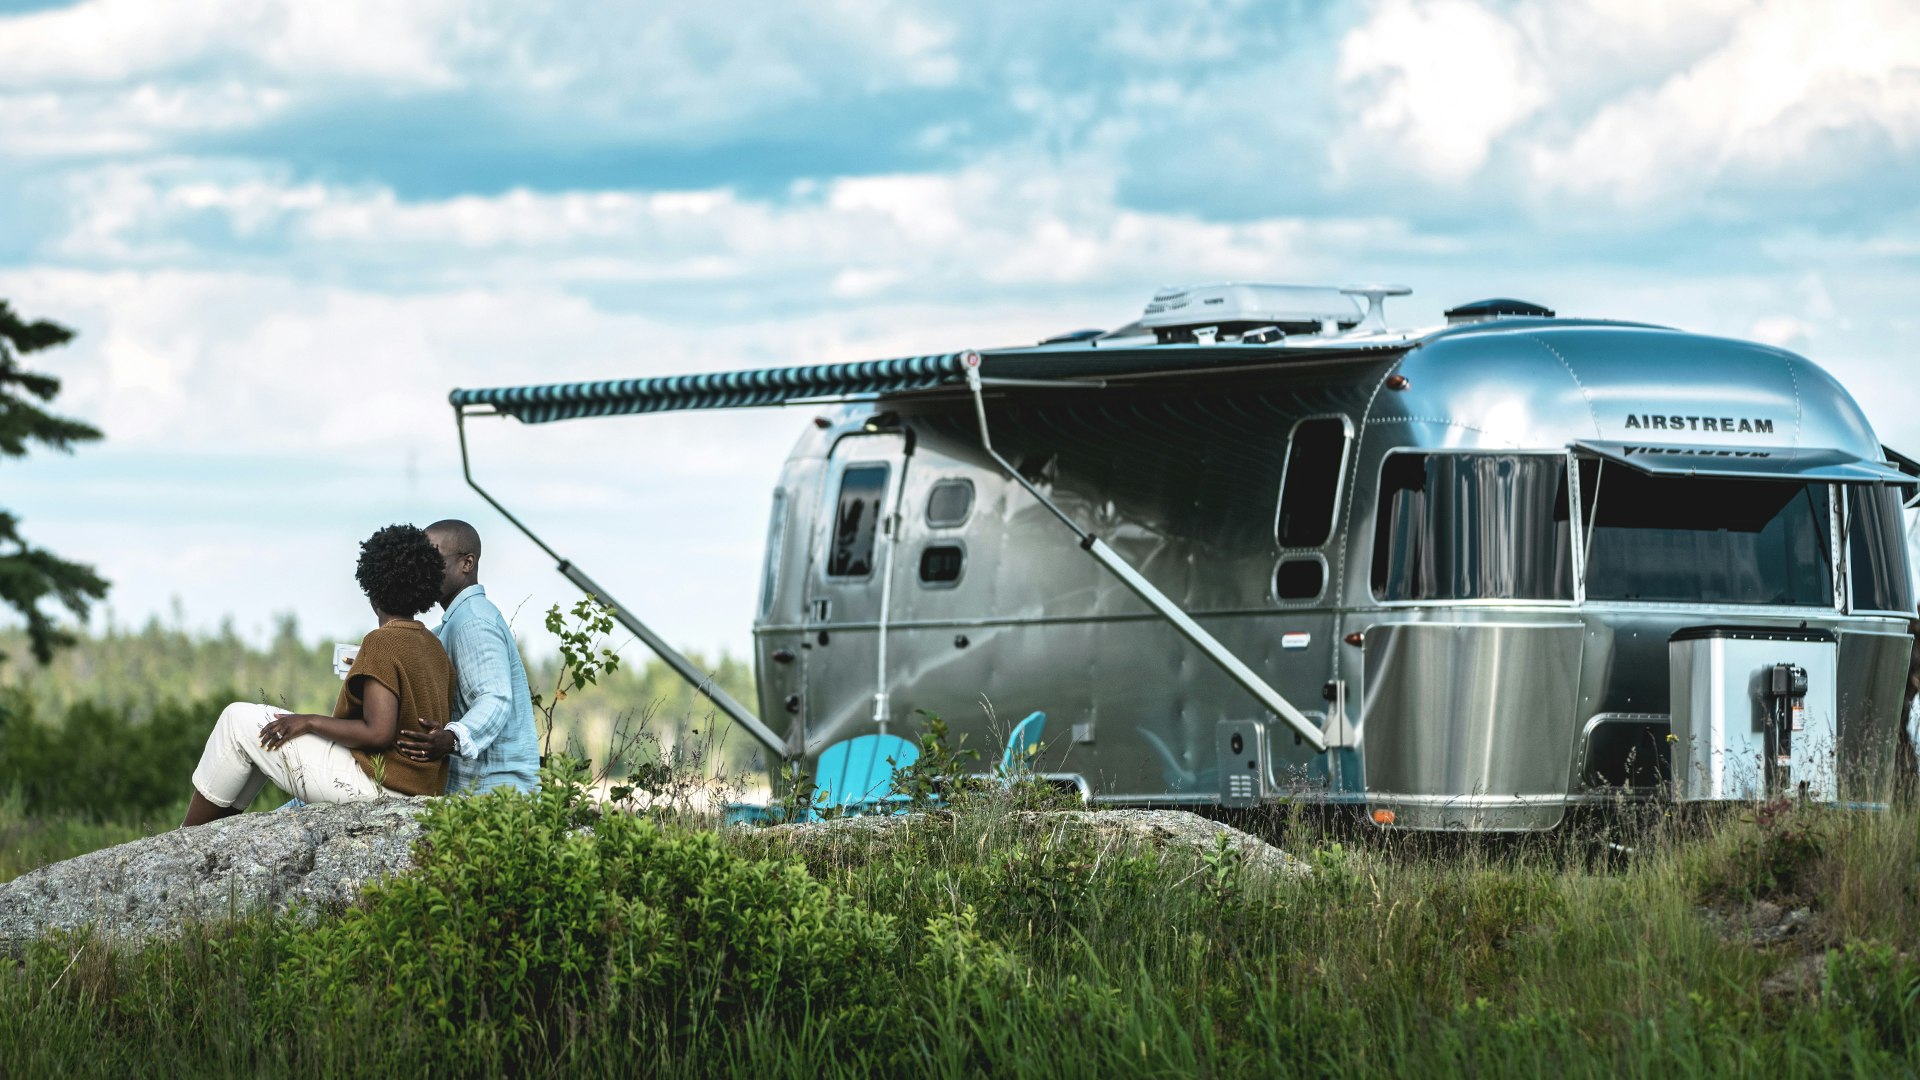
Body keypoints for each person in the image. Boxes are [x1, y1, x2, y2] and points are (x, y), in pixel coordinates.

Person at [181, 524, 456, 827]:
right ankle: (211, 834)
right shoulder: (433, 645)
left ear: (372, 589)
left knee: (236, 721)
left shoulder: (382, 641)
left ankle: (184, 838)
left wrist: (308, 720)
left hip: (379, 785)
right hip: (420, 790)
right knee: (263, 733)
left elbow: (379, 733)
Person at [394, 519, 540, 793]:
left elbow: (494, 697)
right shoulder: (457, 621)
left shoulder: (473, 622)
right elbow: (419, 648)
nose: (423, 570)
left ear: (467, 563)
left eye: (432, 559)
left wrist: (451, 739)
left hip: (495, 795)